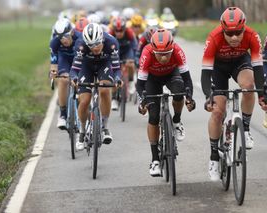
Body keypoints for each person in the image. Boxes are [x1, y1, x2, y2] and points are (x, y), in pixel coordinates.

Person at [201, 7, 267, 181]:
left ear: (244, 28)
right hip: (218, 68)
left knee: (249, 85)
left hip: (239, 62)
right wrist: (209, 96)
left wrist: (261, 95)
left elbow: (259, 69)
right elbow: (205, 75)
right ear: (222, 30)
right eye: (229, 34)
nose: (234, 37)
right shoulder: (213, 38)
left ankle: (245, 129)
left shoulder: (252, 36)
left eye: (238, 32)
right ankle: (214, 156)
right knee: (217, 111)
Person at [136, 29, 195, 177]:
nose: (163, 58)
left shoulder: (177, 50)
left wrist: (189, 98)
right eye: (160, 54)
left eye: (167, 54)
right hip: (152, 79)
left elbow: (187, 79)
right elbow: (139, 84)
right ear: (153, 50)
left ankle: (176, 121)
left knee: (179, 90)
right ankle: (155, 159)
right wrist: (142, 102)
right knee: (153, 117)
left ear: (172, 48)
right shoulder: (147, 53)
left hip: (171, 74)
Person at [70, 23, 122, 150]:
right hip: (86, 67)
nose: (95, 48)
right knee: (84, 100)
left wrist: (117, 79)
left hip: (104, 65)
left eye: (98, 43)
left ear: (102, 39)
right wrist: (74, 78)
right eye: (91, 45)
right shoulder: (80, 44)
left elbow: (116, 68)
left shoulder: (111, 42)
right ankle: (82, 132)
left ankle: (105, 127)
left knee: (104, 90)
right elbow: (75, 69)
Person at [49, 18, 81, 130]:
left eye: (66, 36)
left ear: (72, 32)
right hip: (64, 60)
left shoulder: (80, 38)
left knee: (81, 81)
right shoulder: (54, 42)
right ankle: (62, 114)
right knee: (63, 80)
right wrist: (53, 72)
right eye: (60, 37)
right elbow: (53, 61)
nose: (63, 40)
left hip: (79, 59)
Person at [109, 16, 138, 109]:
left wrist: (134, 58)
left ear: (125, 29)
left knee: (130, 64)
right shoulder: (110, 34)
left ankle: (130, 81)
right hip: (115, 52)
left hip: (126, 51)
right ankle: (114, 98)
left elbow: (134, 46)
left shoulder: (129, 32)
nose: (119, 33)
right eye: (117, 31)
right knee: (113, 72)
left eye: (121, 30)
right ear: (114, 30)